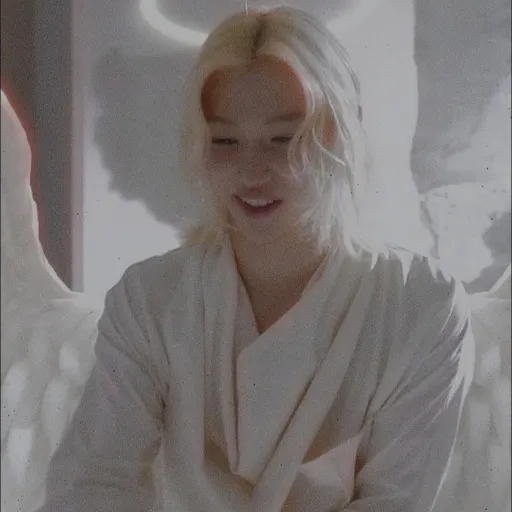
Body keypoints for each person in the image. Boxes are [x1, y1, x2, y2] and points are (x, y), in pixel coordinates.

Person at [38, 6, 474, 512]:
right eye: (225, 140)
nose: (252, 171)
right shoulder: (150, 301)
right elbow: (93, 483)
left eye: (283, 139)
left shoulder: (420, 307)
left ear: (341, 133)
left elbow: (394, 500)